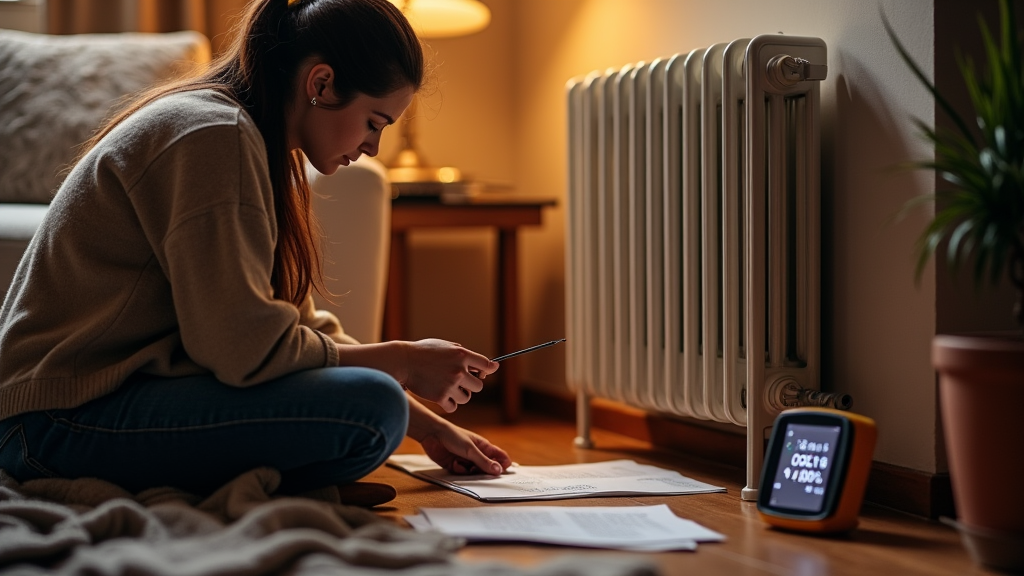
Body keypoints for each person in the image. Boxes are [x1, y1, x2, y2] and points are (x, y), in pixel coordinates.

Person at [0, 0, 512, 500]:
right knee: (371, 409)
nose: (373, 147)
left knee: (377, 413)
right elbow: (241, 349)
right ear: (322, 83)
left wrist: (429, 428)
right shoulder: (211, 134)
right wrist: (401, 362)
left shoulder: (252, 145)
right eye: (374, 123)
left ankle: (230, 481)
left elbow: (293, 325)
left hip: (88, 407)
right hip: (52, 421)